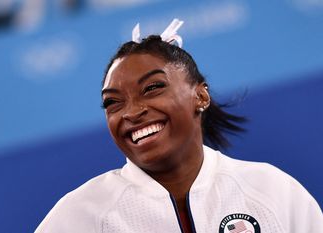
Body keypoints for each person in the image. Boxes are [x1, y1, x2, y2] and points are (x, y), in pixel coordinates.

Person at [35, 19, 323, 233]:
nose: (132, 112)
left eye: (152, 88)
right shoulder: (80, 216)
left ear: (201, 95)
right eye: (113, 103)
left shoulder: (271, 190)